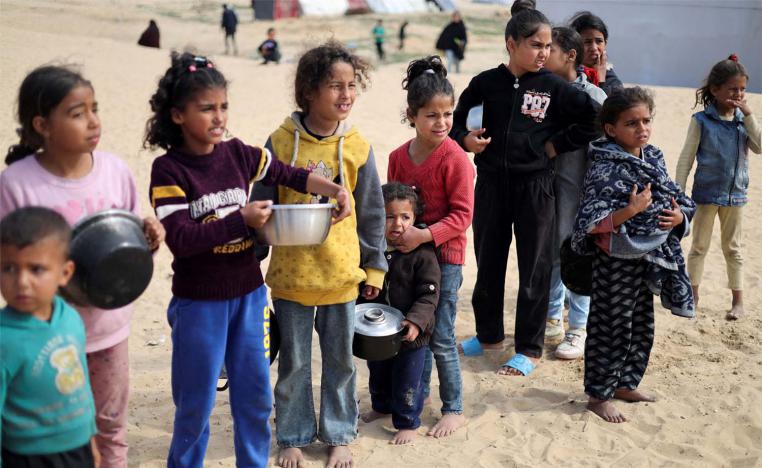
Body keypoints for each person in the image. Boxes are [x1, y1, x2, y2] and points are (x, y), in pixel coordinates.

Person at [145, 52, 351, 467]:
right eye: (207, 108)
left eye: (223, 107)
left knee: (254, 401)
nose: (218, 117)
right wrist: (240, 220)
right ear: (178, 115)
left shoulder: (238, 154)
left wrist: (333, 191)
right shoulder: (169, 171)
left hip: (250, 298)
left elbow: (287, 174)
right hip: (199, 304)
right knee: (195, 406)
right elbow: (182, 240)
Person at [0, 64, 165, 467]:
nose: (93, 121)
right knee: (51, 430)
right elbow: (10, 259)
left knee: (110, 427)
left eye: (95, 109)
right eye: (77, 113)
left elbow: (127, 247)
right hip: (43, 336)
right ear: (42, 124)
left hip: (108, 330)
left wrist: (149, 236)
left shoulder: (114, 170)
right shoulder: (17, 183)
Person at [251, 40, 386, 468]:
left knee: (340, 363)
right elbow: (261, 201)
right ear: (309, 91)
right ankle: (291, 434)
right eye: (334, 86)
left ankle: (339, 433)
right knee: (292, 363)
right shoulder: (279, 140)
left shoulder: (358, 146)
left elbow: (371, 212)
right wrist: (251, 251)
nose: (345, 95)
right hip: (291, 276)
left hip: (341, 275)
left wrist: (374, 269)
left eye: (351, 86)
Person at [450, 10, 599, 376]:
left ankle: (529, 348)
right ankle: (488, 336)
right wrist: (466, 141)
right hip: (490, 185)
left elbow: (596, 118)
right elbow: (455, 123)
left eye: (548, 46)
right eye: (535, 45)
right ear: (512, 43)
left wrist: (556, 145)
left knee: (534, 267)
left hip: (535, 187)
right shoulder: (486, 82)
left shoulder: (554, 87)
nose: (543, 53)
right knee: (489, 262)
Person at [571, 86, 695, 423]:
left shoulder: (652, 155)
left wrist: (680, 216)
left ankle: (626, 383)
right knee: (610, 326)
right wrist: (631, 210)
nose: (641, 129)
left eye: (646, 121)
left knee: (641, 324)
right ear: (611, 129)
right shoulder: (604, 164)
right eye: (631, 123)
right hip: (614, 259)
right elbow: (591, 221)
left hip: (650, 254)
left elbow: (673, 194)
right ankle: (599, 395)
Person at [387, 56, 473, 437]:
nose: (442, 123)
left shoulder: (454, 158)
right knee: (411, 332)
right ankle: (412, 404)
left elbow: (462, 216)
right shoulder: (396, 158)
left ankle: (453, 406)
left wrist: (424, 235)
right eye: (431, 115)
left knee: (439, 335)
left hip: (445, 259)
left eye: (448, 114)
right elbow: (391, 207)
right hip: (408, 260)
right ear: (412, 115)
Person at [0, 208, 97, 468]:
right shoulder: (4, 339)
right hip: (26, 458)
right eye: (8, 268)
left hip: (78, 450)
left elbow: (82, 385)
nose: (22, 282)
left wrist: (91, 440)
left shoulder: (71, 318)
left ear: (65, 273)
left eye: (36, 269)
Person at [675, 55, 761, 321]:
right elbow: (686, 159)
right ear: (715, 89)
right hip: (706, 194)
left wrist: (748, 115)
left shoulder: (742, 121)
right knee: (699, 246)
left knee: (733, 248)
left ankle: (737, 301)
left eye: (742, 89)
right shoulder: (701, 121)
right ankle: (694, 295)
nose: (738, 94)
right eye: (733, 88)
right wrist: (679, 192)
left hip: (736, 195)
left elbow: (759, 146)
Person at [542, 26, 606, 359]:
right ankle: (552, 319)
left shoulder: (594, 98)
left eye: (549, 48)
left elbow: (605, 157)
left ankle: (578, 328)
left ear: (569, 55)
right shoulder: (539, 92)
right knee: (550, 257)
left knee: (577, 258)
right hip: (545, 196)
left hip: (579, 197)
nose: (542, 54)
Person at [359, 183, 440, 445]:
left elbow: (429, 293)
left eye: (405, 217)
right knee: (378, 372)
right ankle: (381, 406)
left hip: (411, 334)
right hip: (379, 333)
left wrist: (416, 321)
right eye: (389, 216)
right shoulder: (373, 250)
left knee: (407, 379)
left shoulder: (423, 254)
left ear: (415, 219)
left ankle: (407, 422)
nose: (398, 224)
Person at [569, 11, 622, 95]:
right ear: (575, 44)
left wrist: (600, 81)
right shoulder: (567, 74)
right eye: (587, 42)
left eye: (599, 41)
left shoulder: (612, 81)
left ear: (605, 43)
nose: (594, 48)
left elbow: (608, 106)